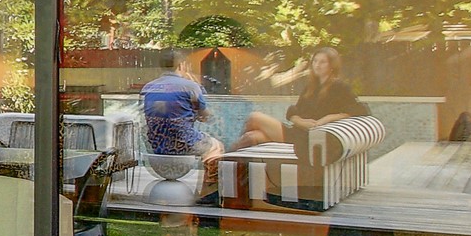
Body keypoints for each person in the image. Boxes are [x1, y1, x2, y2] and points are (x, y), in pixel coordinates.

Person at [234, 46, 363, 150]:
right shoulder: (312, 86)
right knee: (252, 136)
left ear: (332, 65)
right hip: (298, 130)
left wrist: (328, 118)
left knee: (254, 117)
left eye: (322, 62)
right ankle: (225, 165)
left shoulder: (340, 87)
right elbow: (294, 111)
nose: (317, 65)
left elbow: (358, 111)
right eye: (315, 61)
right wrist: (299, 121)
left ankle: (220, 160)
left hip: (307, 137)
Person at [140, 48, 222, 167]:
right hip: (183, 144)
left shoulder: (148, 87)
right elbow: (205, 115)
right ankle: (208, 185)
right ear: (181, 65)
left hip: (156, 146)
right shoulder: (190, 86)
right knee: (217, 147)